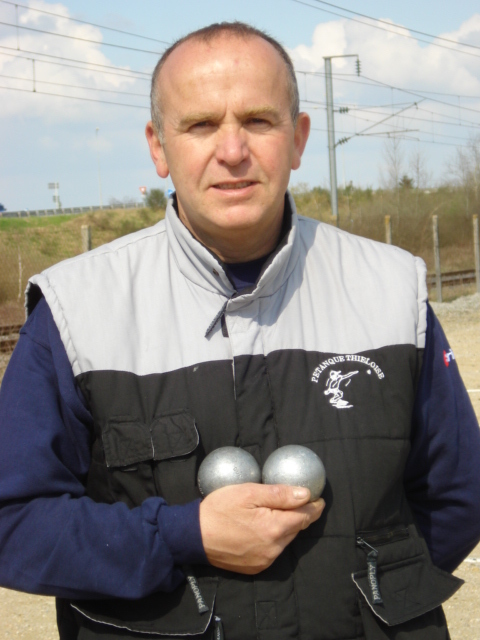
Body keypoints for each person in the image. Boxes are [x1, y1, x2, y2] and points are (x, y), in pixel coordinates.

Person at [0, 21, 480, 640]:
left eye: (259, 120)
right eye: (200, 125)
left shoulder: (392, 288)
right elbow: (14, 522)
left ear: (299, 137)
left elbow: (456, 499)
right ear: (158, 146)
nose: (232, 151)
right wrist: (182, 536)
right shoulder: (75, 310)